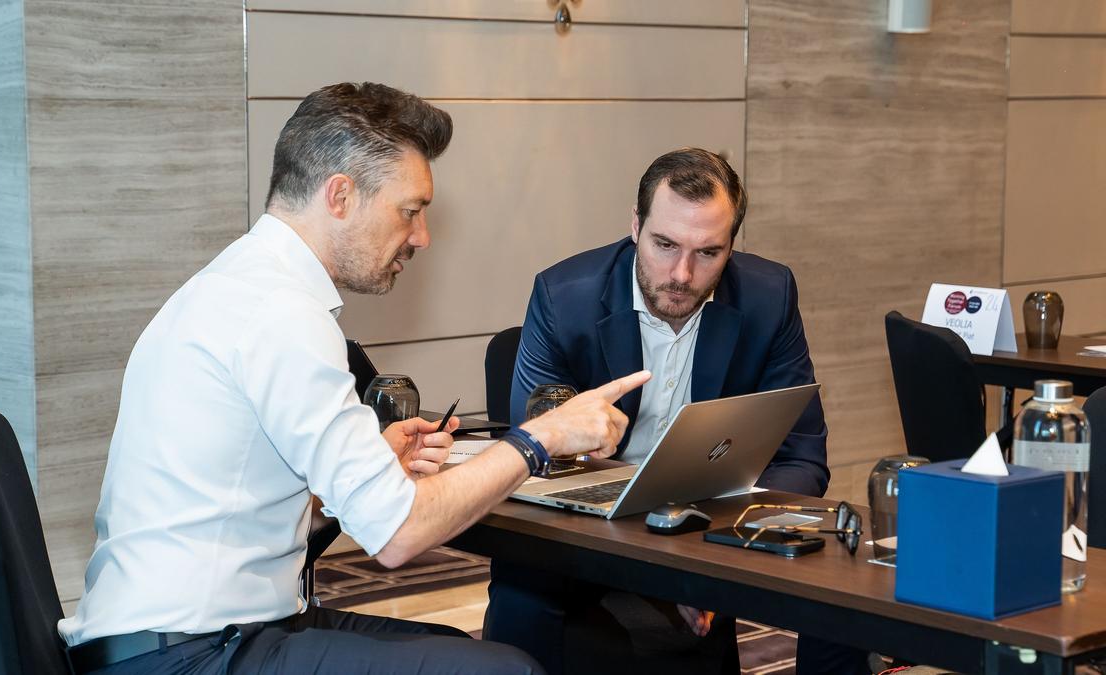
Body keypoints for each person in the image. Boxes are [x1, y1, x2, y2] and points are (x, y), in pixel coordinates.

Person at [56, 82, 650, 675]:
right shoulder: (281, 314)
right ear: (340, 195)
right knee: (502, 672)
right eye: (410, 211)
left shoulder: (239, 284)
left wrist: (368, 473)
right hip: (187, 653)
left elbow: (253, 507)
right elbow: (399, 536)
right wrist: (541, 437)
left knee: (459, 649)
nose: (422, 236)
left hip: (181, 635)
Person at [484, 148, 868, 674]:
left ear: (732, 245)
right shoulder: (563, 297)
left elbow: (801, 457)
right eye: (664, 245)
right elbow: (535, 459)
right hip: (583, 532)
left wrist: (710, 550)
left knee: (843, 598)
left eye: (708, 252)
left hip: (705, 527)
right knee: (525, 597)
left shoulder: (769, 296)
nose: (682, 274)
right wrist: (660, 552)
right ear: (635, 225)